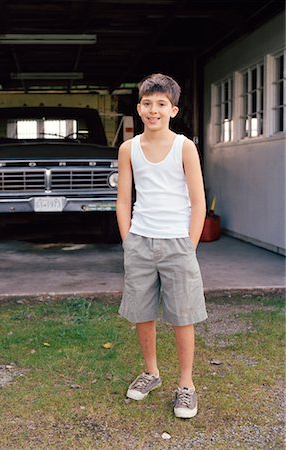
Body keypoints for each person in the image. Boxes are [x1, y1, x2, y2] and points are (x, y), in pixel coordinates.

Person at [116, 73, 208, 419]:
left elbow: (198, 203)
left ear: (173, 109)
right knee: (143, 313)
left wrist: (189, 245)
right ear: (139, 108)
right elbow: (123, 200)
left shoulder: (185, 147)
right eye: (147, 104)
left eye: (161, 104)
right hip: (140, 241)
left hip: (178, 243)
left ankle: (186, 385)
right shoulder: (129, 148)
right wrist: (129, 240)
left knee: (183, 316)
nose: (153, 110)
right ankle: (151, 373)